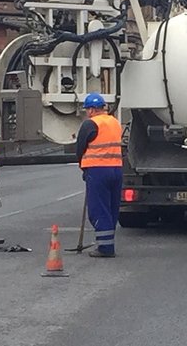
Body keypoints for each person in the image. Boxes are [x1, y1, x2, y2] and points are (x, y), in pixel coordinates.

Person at [76, 93, 123, 258]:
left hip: (97, 171)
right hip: (116, 169)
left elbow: (80, 148)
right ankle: (108, 242)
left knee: (99, 209)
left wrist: (84, 167)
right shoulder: (115, 122)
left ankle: (105, 248)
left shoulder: (90, 124)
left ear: (90, 110)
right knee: (111, 208)